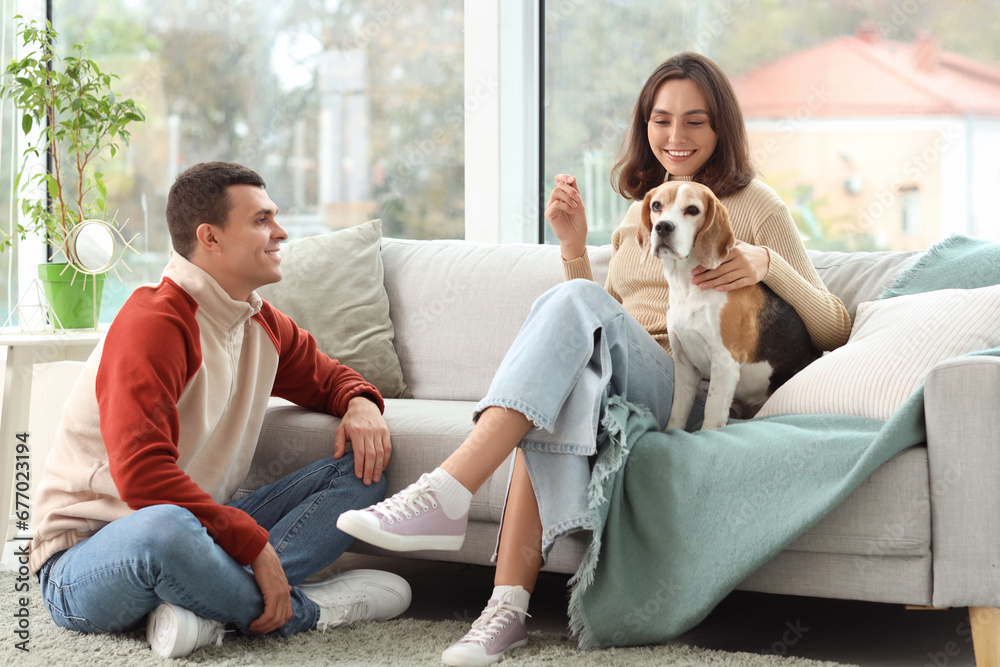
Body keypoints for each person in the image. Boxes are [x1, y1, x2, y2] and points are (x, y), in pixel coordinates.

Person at [338, 53, 852, 665]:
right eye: (661, 121)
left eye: (696, 121)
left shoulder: (753, 204)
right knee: (554, 390)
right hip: (622, 373)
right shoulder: (646, 212)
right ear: (645, 126)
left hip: (687, 384)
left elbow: (834, 325)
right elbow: (599, 314)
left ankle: (447, 491)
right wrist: (575, 247)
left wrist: (771, 266)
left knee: (564, 333)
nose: (676, 137)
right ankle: (503, 612)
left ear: (721, 130)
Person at [28, 161, 412, 659]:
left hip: (203, 533)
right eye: (261, 220)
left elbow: (330, 378)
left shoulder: (258, 319)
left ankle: (210, 604)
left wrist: (361, 404)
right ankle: (310, 610)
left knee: (363, 471)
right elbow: (142, 479)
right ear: (209, 237)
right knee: (166, 530)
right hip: (89, 558)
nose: (281, 232)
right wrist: (252, 544)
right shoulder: (154, 322)